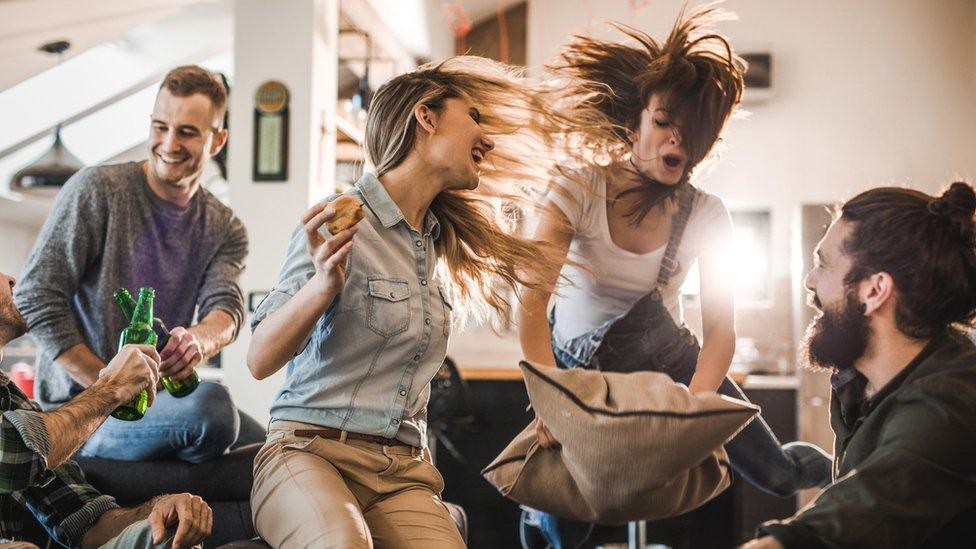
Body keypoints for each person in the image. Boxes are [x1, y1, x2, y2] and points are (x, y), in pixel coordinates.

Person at [517, 6, 831, 547]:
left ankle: (853, 467)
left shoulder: (708, 214)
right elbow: (530, 305)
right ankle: (534, 516)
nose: (676, 143)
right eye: (664, 123)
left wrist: (694, 413)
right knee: (570, 525)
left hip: (670, 361)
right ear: (636, 120)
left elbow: (721, 332)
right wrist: (551, 400)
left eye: (692, 133)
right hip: (575, 367)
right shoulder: (577, 190)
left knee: (777, 474)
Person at [246, 56, 582, 548]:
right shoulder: (342, 219)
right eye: (475, 117)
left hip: (401, 473)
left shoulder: (438, 245)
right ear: (427, 117)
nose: (486, 139)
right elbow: (259, 359)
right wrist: (322, 287)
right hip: (309, 452)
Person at [14, 65, 261, 463]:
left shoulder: (224, 226)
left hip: (158, 403)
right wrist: (112, 385)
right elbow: (34, 297)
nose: (169, 143)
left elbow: (226, 310)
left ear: (217, 141)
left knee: (271, 451)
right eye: (160, 127)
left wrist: (198, 339)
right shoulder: (97, 191)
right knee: (213, 409)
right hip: (82, 408)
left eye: (187, 132)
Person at [742, 182, 976, 549]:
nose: (809, 281)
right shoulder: (862, 381)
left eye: (823, 264)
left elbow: (850, 519)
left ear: (874, 290)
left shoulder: (948, 404)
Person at [0, 271, 213, 549]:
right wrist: (111, 388)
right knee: (211, 408)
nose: (11, 279)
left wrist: (157, 510)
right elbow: (10, 457)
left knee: (167, 536)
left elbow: (86, 519)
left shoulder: (12, 402)